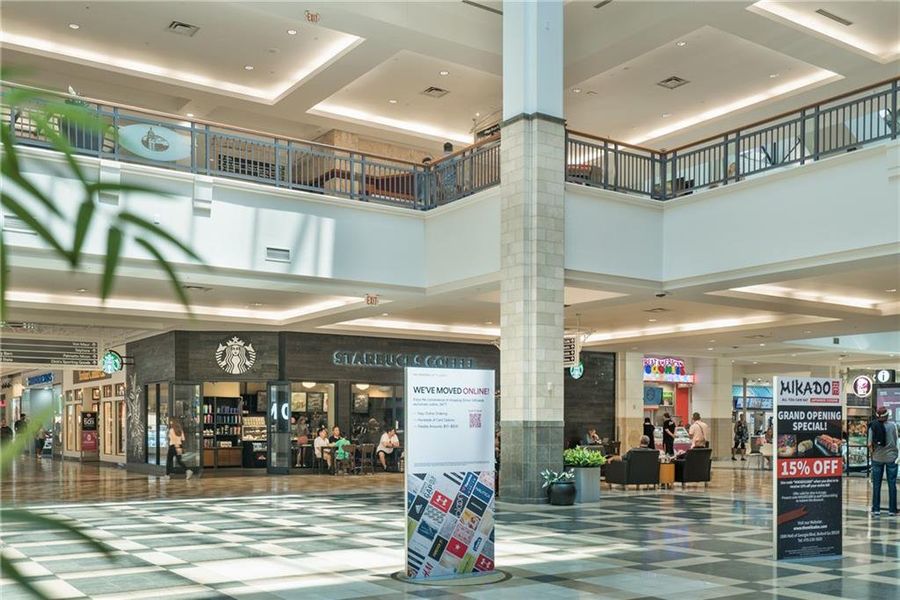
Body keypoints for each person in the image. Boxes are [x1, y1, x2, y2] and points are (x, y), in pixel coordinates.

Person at [868, 407, 899, 516]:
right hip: (891, 458)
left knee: (876, 484)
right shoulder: (893, 426)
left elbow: (869, 444)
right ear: (887, 415)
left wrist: (874, 453)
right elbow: (895, 440)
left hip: (877, 458)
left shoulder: (872, 426)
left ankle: (876, 509)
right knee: (892, 484)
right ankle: (892, 510)